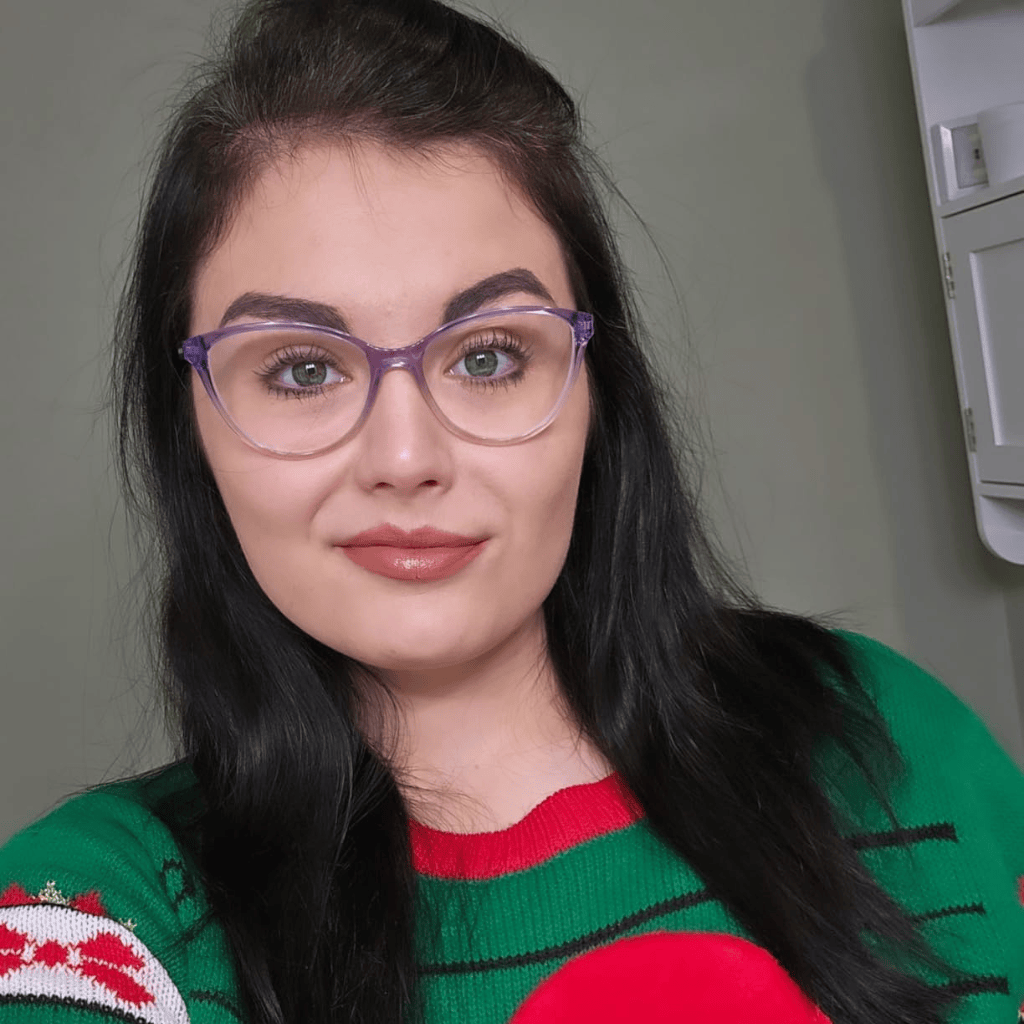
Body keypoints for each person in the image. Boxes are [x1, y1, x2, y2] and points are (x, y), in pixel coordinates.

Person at [0, 1, 1021, 1022]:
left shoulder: (887, 736)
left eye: (488, 356)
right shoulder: (92, 921)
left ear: (594, 387)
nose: (406, 459)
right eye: (303, 369)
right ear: (191, 426)